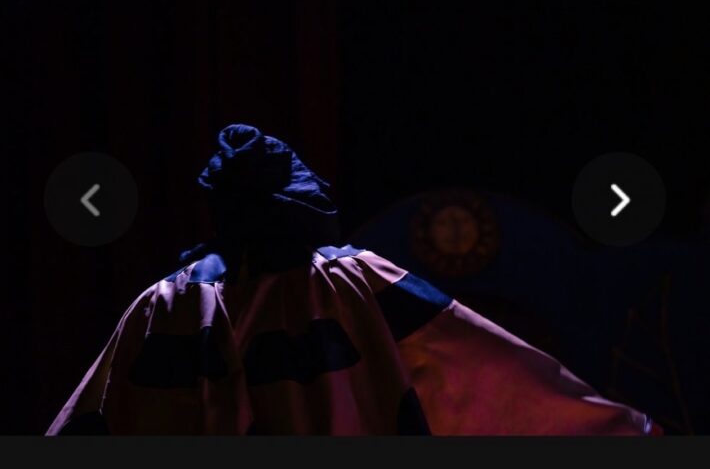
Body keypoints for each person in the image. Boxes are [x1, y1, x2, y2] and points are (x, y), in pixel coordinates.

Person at [47, 124, 656, 436]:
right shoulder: (357, 282)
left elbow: (88, 420)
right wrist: (629, 430)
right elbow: (494, 374)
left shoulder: (165, 303)